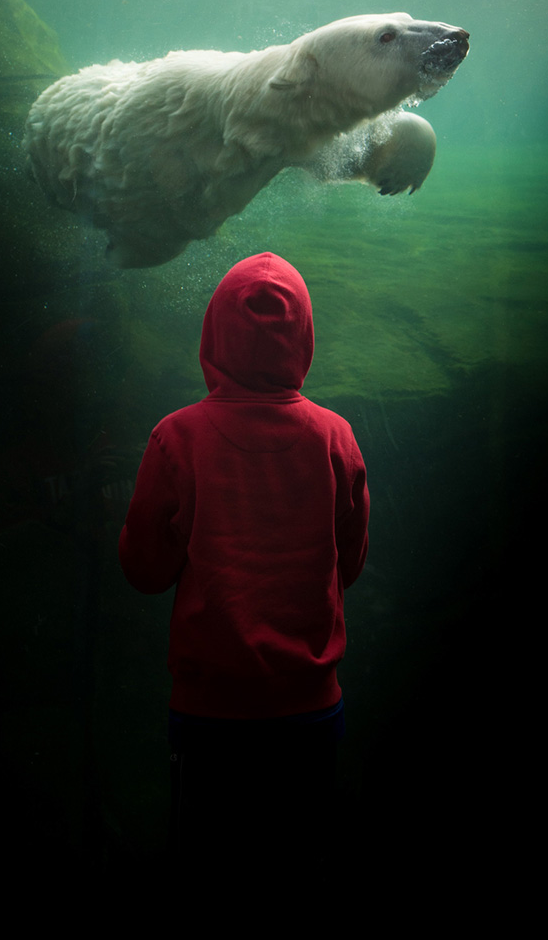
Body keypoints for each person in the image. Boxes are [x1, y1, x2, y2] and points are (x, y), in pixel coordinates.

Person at [119, 252, 369, 885]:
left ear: (213, 332)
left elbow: (145, 572)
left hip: (211, 720)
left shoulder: (176, 438)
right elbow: (351, 563)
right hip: (311, 714)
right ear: (304, 335)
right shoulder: (336, 437)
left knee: (208, 873)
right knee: (299, 868)